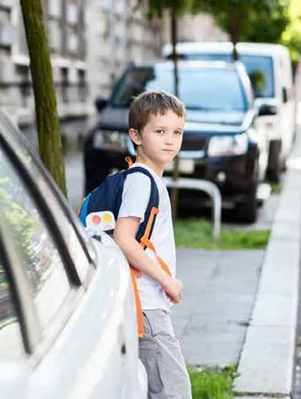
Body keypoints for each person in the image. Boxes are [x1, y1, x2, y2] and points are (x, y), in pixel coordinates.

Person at [113, 90, 192, 399]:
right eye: (160, 132)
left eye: (177, 132)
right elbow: (124, 239)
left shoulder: (148, 179)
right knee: (174, 391)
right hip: (146, 304)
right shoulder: (141, 180)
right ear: (136, 135)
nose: (170, 140)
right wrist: (166, 280)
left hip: (147, 304)